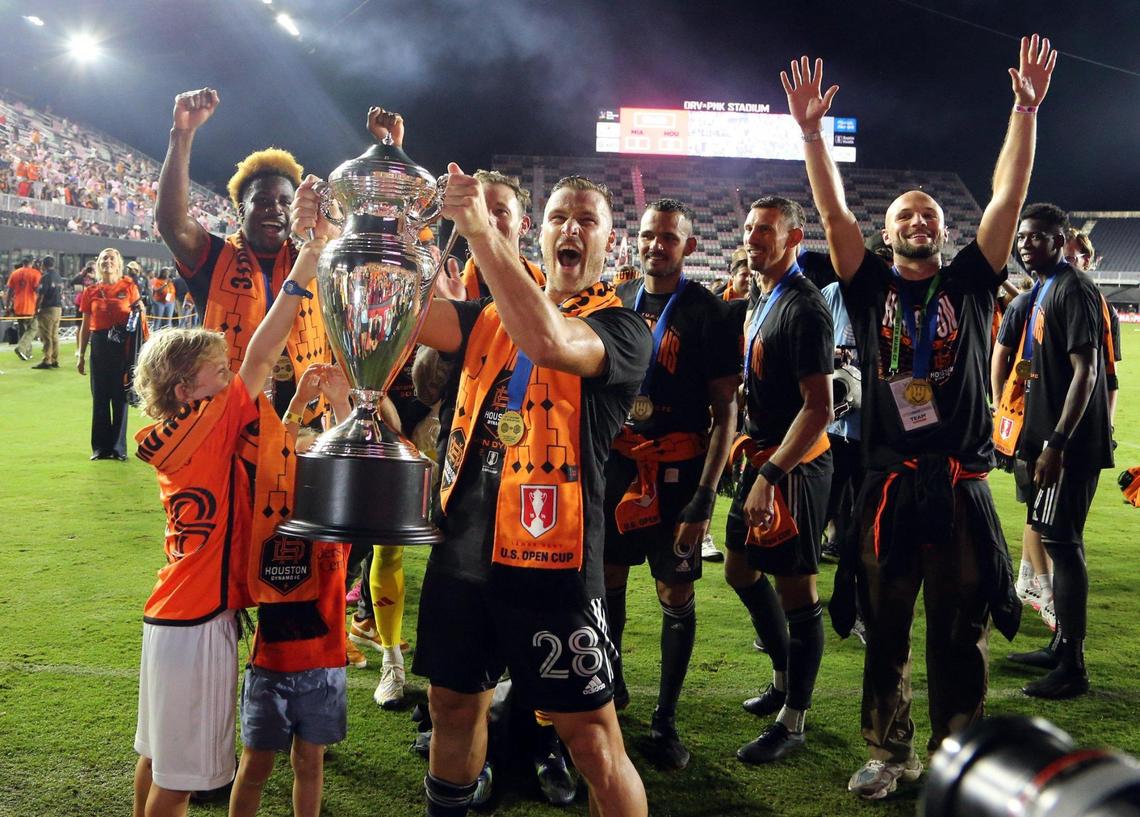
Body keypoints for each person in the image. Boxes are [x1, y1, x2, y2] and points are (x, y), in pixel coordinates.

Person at [295, 163, 653, 816]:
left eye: (587, 219)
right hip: (463, 553)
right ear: (542, 235)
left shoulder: (622, 329)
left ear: (609, 243)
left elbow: (546, 338)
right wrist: (333, 240)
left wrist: (484, 233)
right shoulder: (485, 317)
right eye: (559, 218)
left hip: (552, 566)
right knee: (451, 706)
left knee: (593, 742)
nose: (571, 229)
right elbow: (387, 303)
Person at [784, 37, 1055, 798]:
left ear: (941, 230)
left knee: (960, 630)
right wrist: (810, 134)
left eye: (928, 214)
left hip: (961, 482)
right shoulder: (866, 284)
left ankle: (956, 752)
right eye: (905, 214)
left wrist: (1024, 109)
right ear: (888, 230)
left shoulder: (970, 280)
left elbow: (1007, 193)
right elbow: (832, 206)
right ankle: (888, 747)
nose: (917, 221)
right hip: (889, 485)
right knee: (886, 623)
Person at [129, 225, 326, 817]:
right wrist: (303, 270)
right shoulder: (212, 415)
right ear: (188, 386)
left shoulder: (179, 430)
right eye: (220, 369)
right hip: (200, 621)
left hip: (168, 611)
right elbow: (266, 350)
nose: (231, 374)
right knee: (180, 782)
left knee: (154, 759)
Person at [602, 198, 740, 769]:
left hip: (679, 472)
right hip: (619, 465)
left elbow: (727, 410)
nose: (656, 244)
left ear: (687, 245)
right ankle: (610, 690)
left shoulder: (709, 311)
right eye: (648, 235)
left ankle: (666, 719)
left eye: (669, 237)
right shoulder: (618, 300)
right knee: (606, 583)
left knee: (674, 593)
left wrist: (708, 492)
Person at [723, 195, 834, 765]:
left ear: (794, 237)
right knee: (740, 568)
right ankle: (783, 672)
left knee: (798, 588)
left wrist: (770, 473)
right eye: (748, 228)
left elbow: (821, 406)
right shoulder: (762, 296)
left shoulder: (806, 307)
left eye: (765, 229)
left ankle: (795, 718)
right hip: (762, 458)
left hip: (794, 465)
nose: (752, 236)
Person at [228, 361, 355, 817]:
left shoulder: (333, 525)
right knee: (256, 766)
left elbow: (350, 456)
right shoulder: (267, 527)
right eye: (295, 458)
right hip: (271, 668)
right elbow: (273, 453)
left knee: (310, 763)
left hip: (324, 668)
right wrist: (299, 401)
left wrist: (340, 401)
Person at [156, 87, 329, 417]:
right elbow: (172, 223)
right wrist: (183, 133)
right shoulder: (214, 257)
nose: (275, 209)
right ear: (239, 211)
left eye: (284, 202)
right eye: (262, 201)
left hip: (305, 421)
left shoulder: (315, 258)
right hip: (228, 420)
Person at [1010, 203, 1114, 699]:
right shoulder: (1043, 290)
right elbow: (1034, 364)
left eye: (1038, 237)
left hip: (1067, 447)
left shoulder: (1073, 288)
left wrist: (1055, 444)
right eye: (1023, 237)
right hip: (1044, 441)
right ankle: (1060, 645)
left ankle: (1072, 664)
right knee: (1055, 540)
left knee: (1063, 545)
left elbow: (1087, 372)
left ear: (1059, 240)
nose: (1027, 244)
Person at [77, 248, 145, 461]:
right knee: (100, 397)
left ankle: (118, 448)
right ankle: (100, 448)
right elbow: (85, 326)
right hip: (99, 345)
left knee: (120, 396)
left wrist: (142, 350)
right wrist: (80, 354)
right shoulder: (90, 291)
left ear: (119, 264)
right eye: (103, 258)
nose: (107, 261)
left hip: (122, 347)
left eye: (111, 258)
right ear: (98, 263)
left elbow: (140, 319)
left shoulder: (129, 287)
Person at [7, 255, 40, 361]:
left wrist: (7, 305)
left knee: (23, 330)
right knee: (33, 328)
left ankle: (27, 353)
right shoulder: (35, 273)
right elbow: (37, 290)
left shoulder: (15, 273)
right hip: (30, 306)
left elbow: (10, 291)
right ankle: (21, 348)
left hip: (18, 306)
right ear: (32, 262)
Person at [33, 255, 63, 369]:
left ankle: (47, 360)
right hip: (58, 308)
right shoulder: (58, 276)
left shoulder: (45, 277)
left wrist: (36, 308)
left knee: (46, 335)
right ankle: (54, 359)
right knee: (54, 335)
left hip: (48, 308)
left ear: (43, 265)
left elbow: (41, 294)